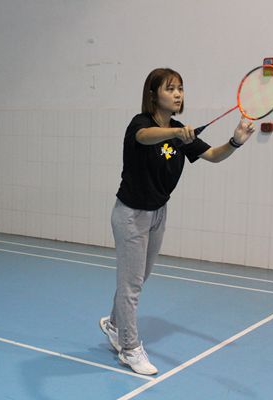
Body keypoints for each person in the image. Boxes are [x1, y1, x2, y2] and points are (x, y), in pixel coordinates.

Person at [99, 68, 255, 375]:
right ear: (153, 94)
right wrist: (174, 134)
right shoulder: (140, 124)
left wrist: (235, 142)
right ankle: (129, 349)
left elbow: (213, 154)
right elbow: (145, 137)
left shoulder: (181, 130)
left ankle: (115, 324)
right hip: (131, 214)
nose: (177, 94)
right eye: (170, 88)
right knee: (131, 284)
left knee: (138, 278)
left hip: (158, 213)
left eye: (180, 88)